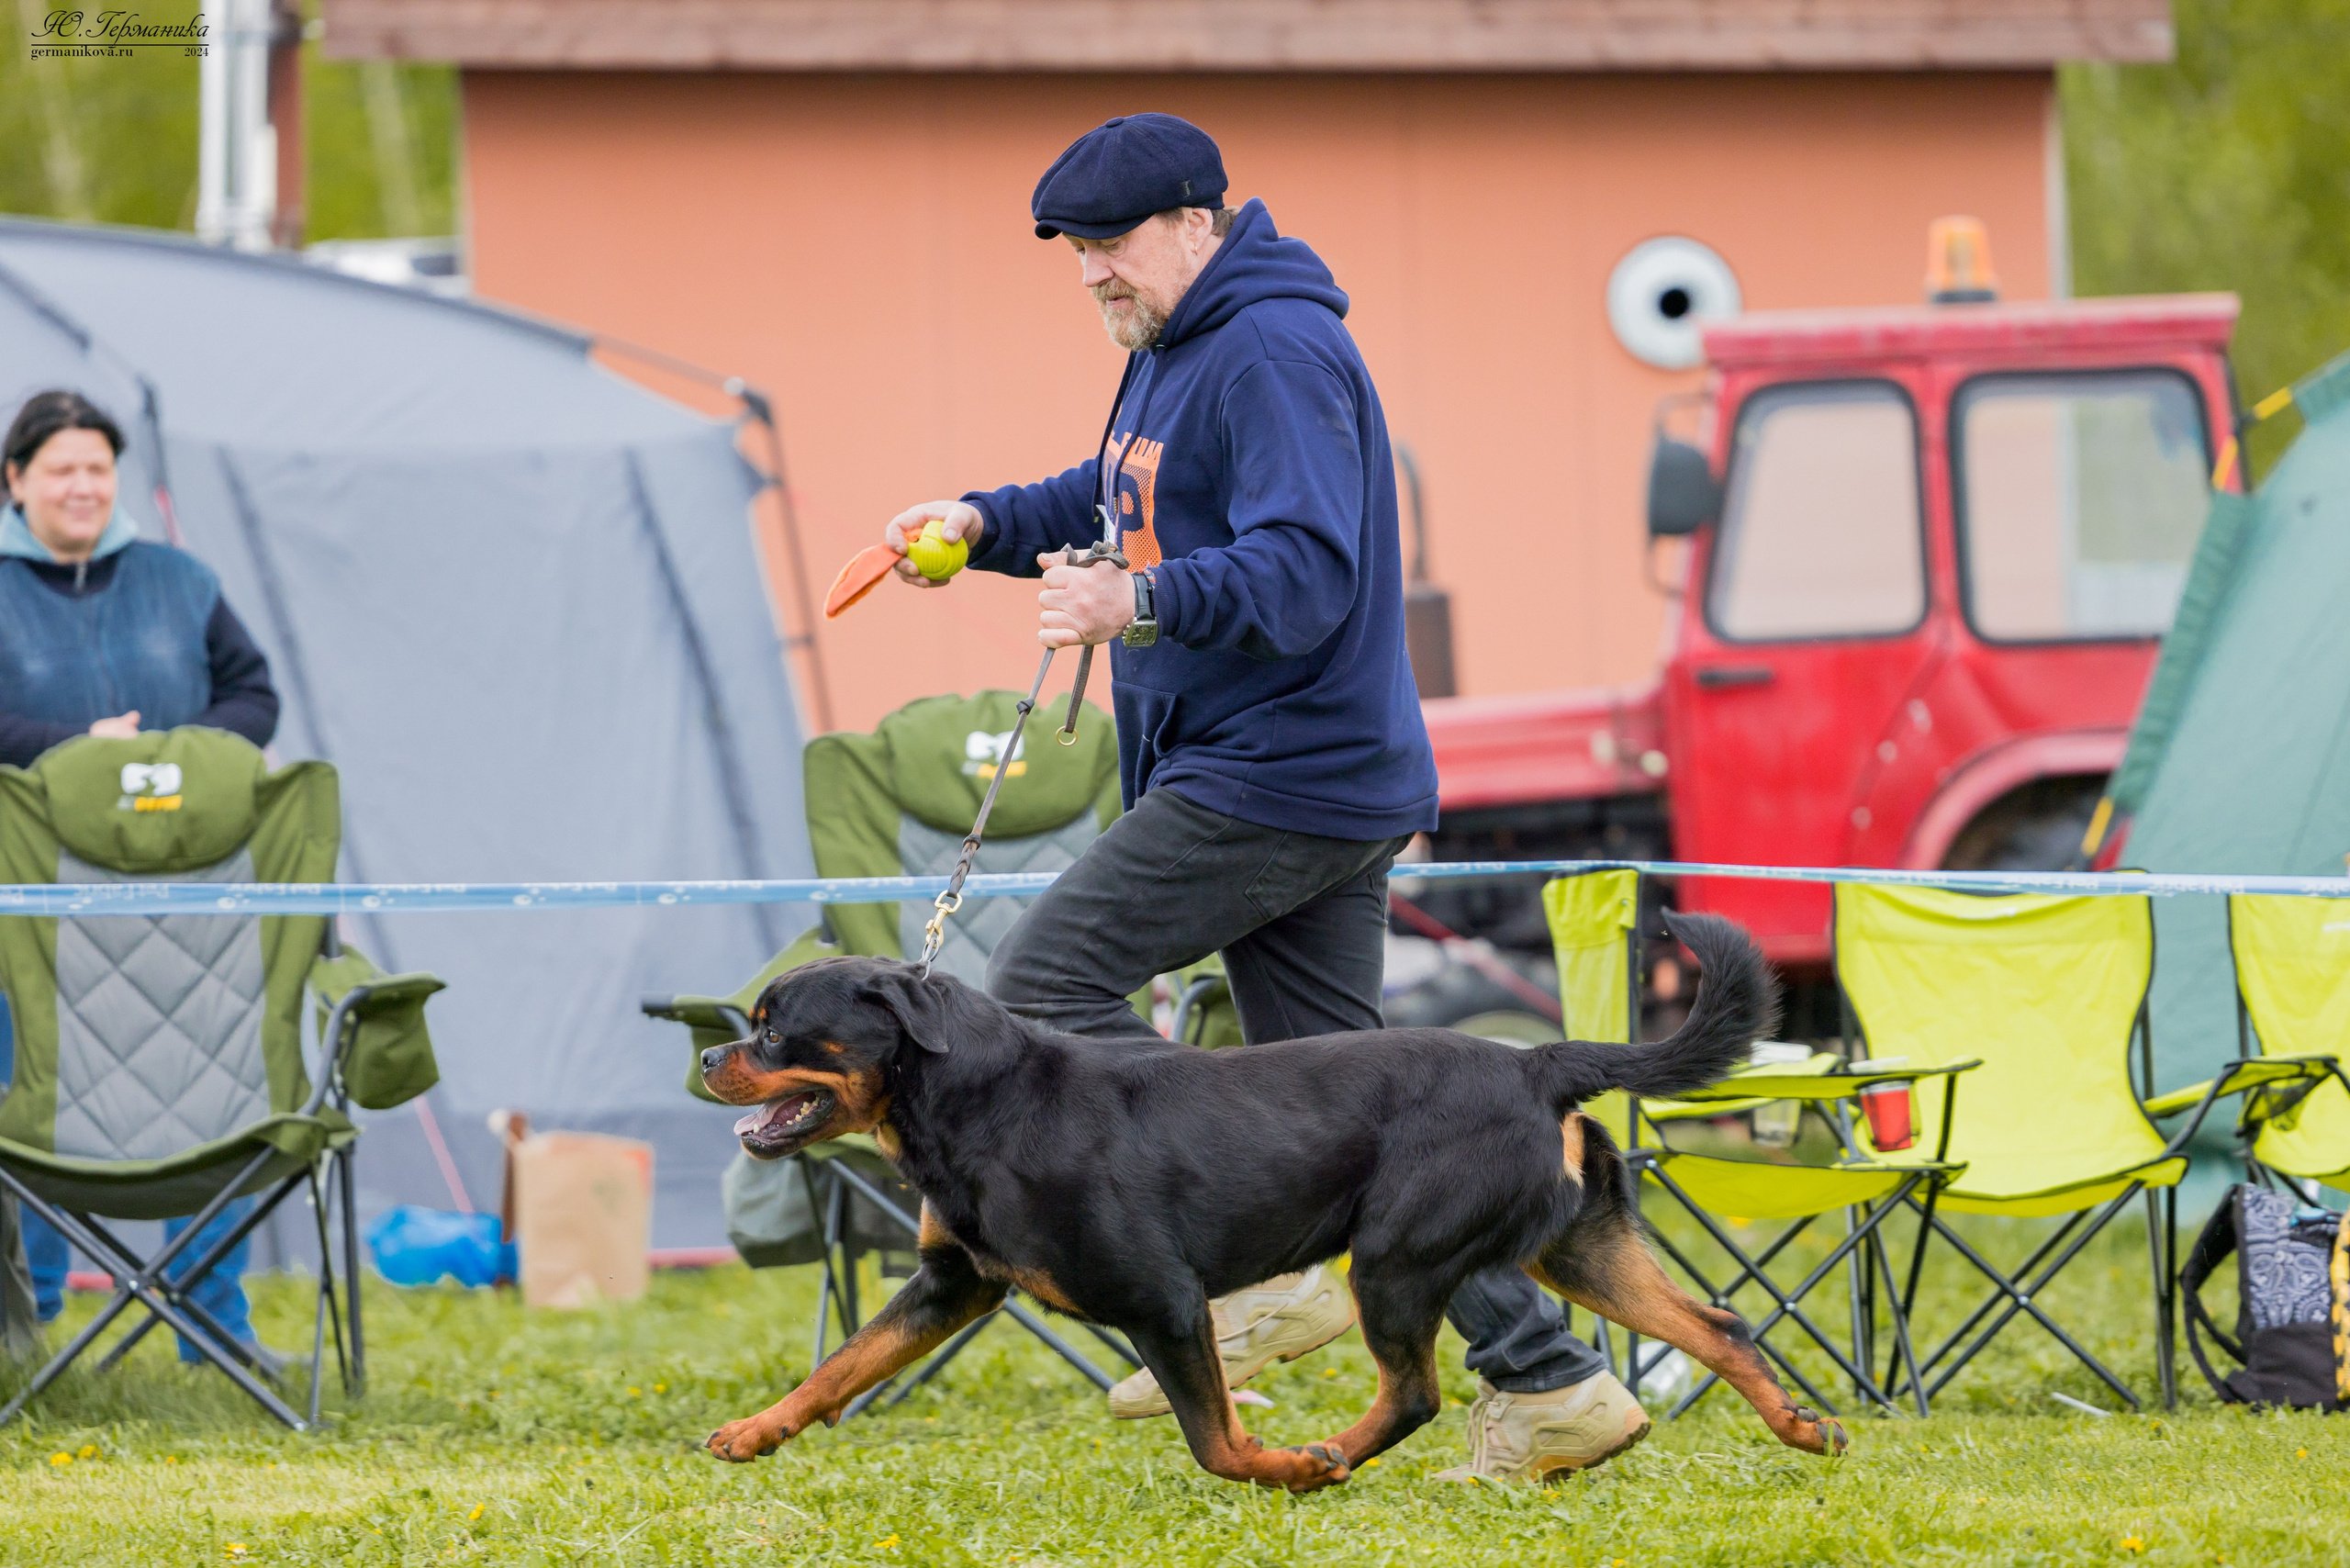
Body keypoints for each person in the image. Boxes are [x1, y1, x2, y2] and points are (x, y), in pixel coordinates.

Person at [881, 114, 1650, 1482]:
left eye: (1109, 245)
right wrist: (985, 523)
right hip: (1283, 771)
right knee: (1377, 1114)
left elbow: (1302, 572)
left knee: (1042, 990)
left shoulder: (1275, 349)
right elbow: (1119, 502)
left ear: (1195, 221)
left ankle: (1265, 1266)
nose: (1091, 276)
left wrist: (1138, 603)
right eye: (1073, 254)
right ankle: (1548, 1384)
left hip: (1284, 772)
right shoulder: (1174, 350)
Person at [0, 388, 285, 1372]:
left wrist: (175, 760)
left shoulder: (181, 579)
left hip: (181, 904)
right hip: (32, 913)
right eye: (60, 468)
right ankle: (26, 1329)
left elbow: (255, 695)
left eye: (97, 467)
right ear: (15, 480)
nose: (83, 486)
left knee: (200, 1101)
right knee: (33, 1096)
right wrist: (80, 753)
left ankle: (214, 1329)